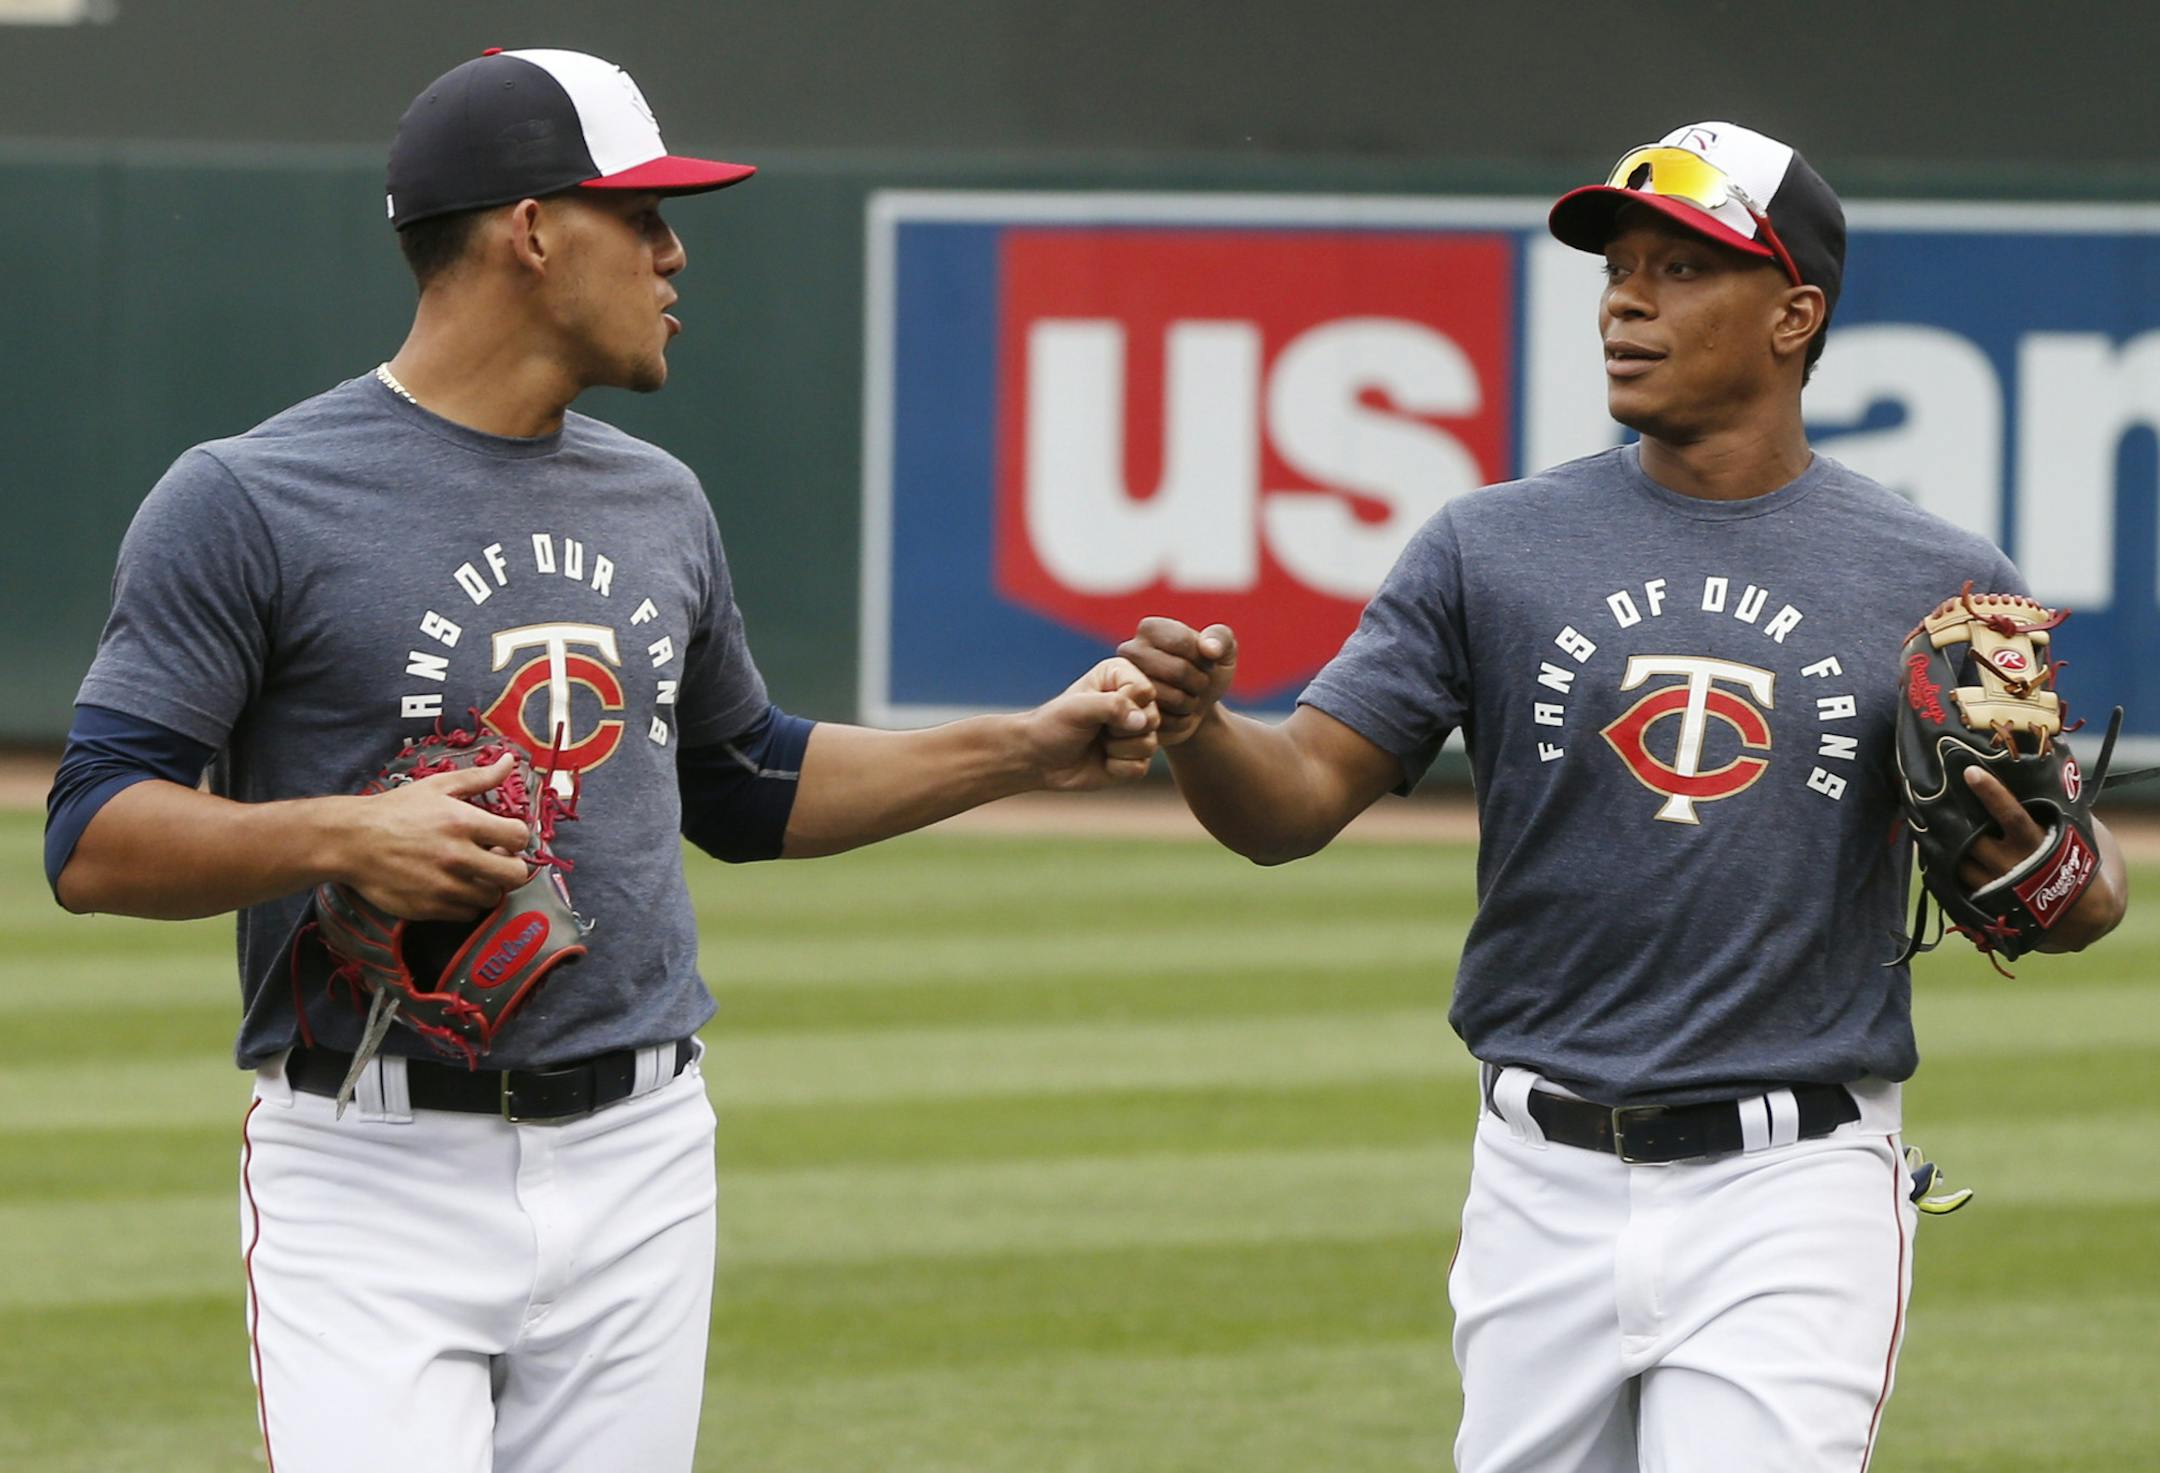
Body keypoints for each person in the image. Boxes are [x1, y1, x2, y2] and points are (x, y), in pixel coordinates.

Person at [43, 46, 1159, 1473]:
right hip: (369, 1170)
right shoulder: (248, 498)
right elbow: (92, 833)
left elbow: (744, 782)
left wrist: (1026, 743)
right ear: (530, 230)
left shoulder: (660, 498)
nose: (677, 251)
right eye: (644, 216)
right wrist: (341, 835)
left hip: (641, 1159)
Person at [1118, 121, 2128, 1472]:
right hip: (1537, 1180)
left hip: (1794, 1180)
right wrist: (1201, 729)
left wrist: (2061, 880)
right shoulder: (1491, 546)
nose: (1627, 300)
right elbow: (1292, 800)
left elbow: (2073, 869)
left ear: (1795, 314)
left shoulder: (1935, 573)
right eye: (1617, 269)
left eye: (1681, 269)